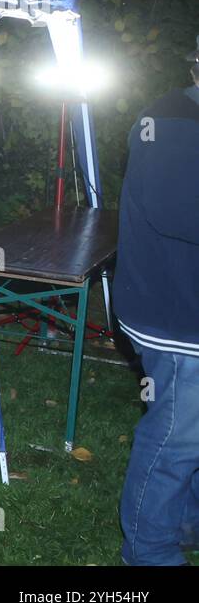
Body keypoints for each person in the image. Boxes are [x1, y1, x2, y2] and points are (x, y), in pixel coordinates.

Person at [116, 34, 199, 566]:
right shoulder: (168, 122)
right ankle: (150, 554)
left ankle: (185, 524)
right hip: (176, 317)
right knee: (176, 440)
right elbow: (179, 215)